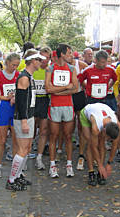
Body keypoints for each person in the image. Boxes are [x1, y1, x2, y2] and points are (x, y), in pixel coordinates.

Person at [6, 49, 44, 191]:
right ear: (32, 61)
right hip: (24, 117)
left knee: (27, 148)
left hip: (29, 115)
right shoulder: (24, 77)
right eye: (38, 60)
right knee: (22, 149)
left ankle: (18, 175)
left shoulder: (29, 76)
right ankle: (11, 179)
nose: (41, 62)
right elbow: (21, 101)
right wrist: (23, 120)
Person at [45, 43, 78, 178]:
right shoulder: (50, 69)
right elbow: (48, 89)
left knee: (68, 136)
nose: (71, 55)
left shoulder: (71, 68)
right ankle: (52, 165)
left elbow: (75, 88)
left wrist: (56, 91)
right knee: (53, 136)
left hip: (68, 106)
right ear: (62, 54)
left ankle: (69, 165)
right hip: (54, 106)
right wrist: (65, 88)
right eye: (69, 53)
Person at [0, 53, 20, 178]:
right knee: (2, 139)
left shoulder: (19, 75)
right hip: (4, 108)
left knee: (15, 139)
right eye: (13, 65)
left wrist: (16, 97)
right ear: (7, 63)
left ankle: (16, 168)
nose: (15, 67)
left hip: (15, 108)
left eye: (17, 65)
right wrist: (5, 97)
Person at [80, 103, 120, 186]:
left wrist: (109, 163)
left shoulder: (118, 125)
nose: (109, 141)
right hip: (87, 112)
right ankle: (91, 172)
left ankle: (100, 172)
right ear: (105, 131)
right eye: (108, 139)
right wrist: (100, 165)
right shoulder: (96, 127)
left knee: (102, 144)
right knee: (90, 143)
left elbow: (115, 145)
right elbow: (94, 147)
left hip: (102, 109)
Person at [68, 53, 88, 170]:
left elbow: (88, 73)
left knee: (81, 122)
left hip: (79, 95)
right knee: (69, 123)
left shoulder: (80, 64)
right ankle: (69, 145)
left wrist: (85, 85)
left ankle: (81, 147)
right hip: (68, 95)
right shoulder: (62, 65)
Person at [33, 47, 51, 170]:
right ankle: (27, 152)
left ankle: (39, 158)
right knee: (31, 129)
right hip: (34, 101)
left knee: (44, 130)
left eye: (47, 58)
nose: (44, 61)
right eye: (42, 58)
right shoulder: (33, 69)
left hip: (45, 100)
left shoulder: (51, 70)